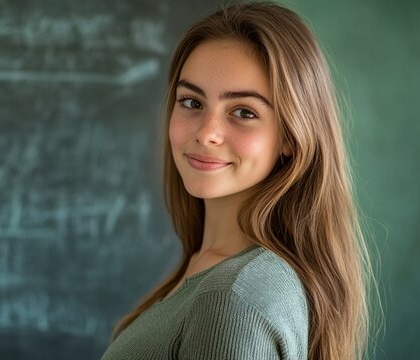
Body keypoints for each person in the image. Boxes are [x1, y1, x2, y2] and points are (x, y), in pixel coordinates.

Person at [100, 2, 377, 360]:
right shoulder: (215, 269)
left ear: (292, 137)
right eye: (191, 102)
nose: (207, 133)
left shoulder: (232, 297)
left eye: (244, 112)